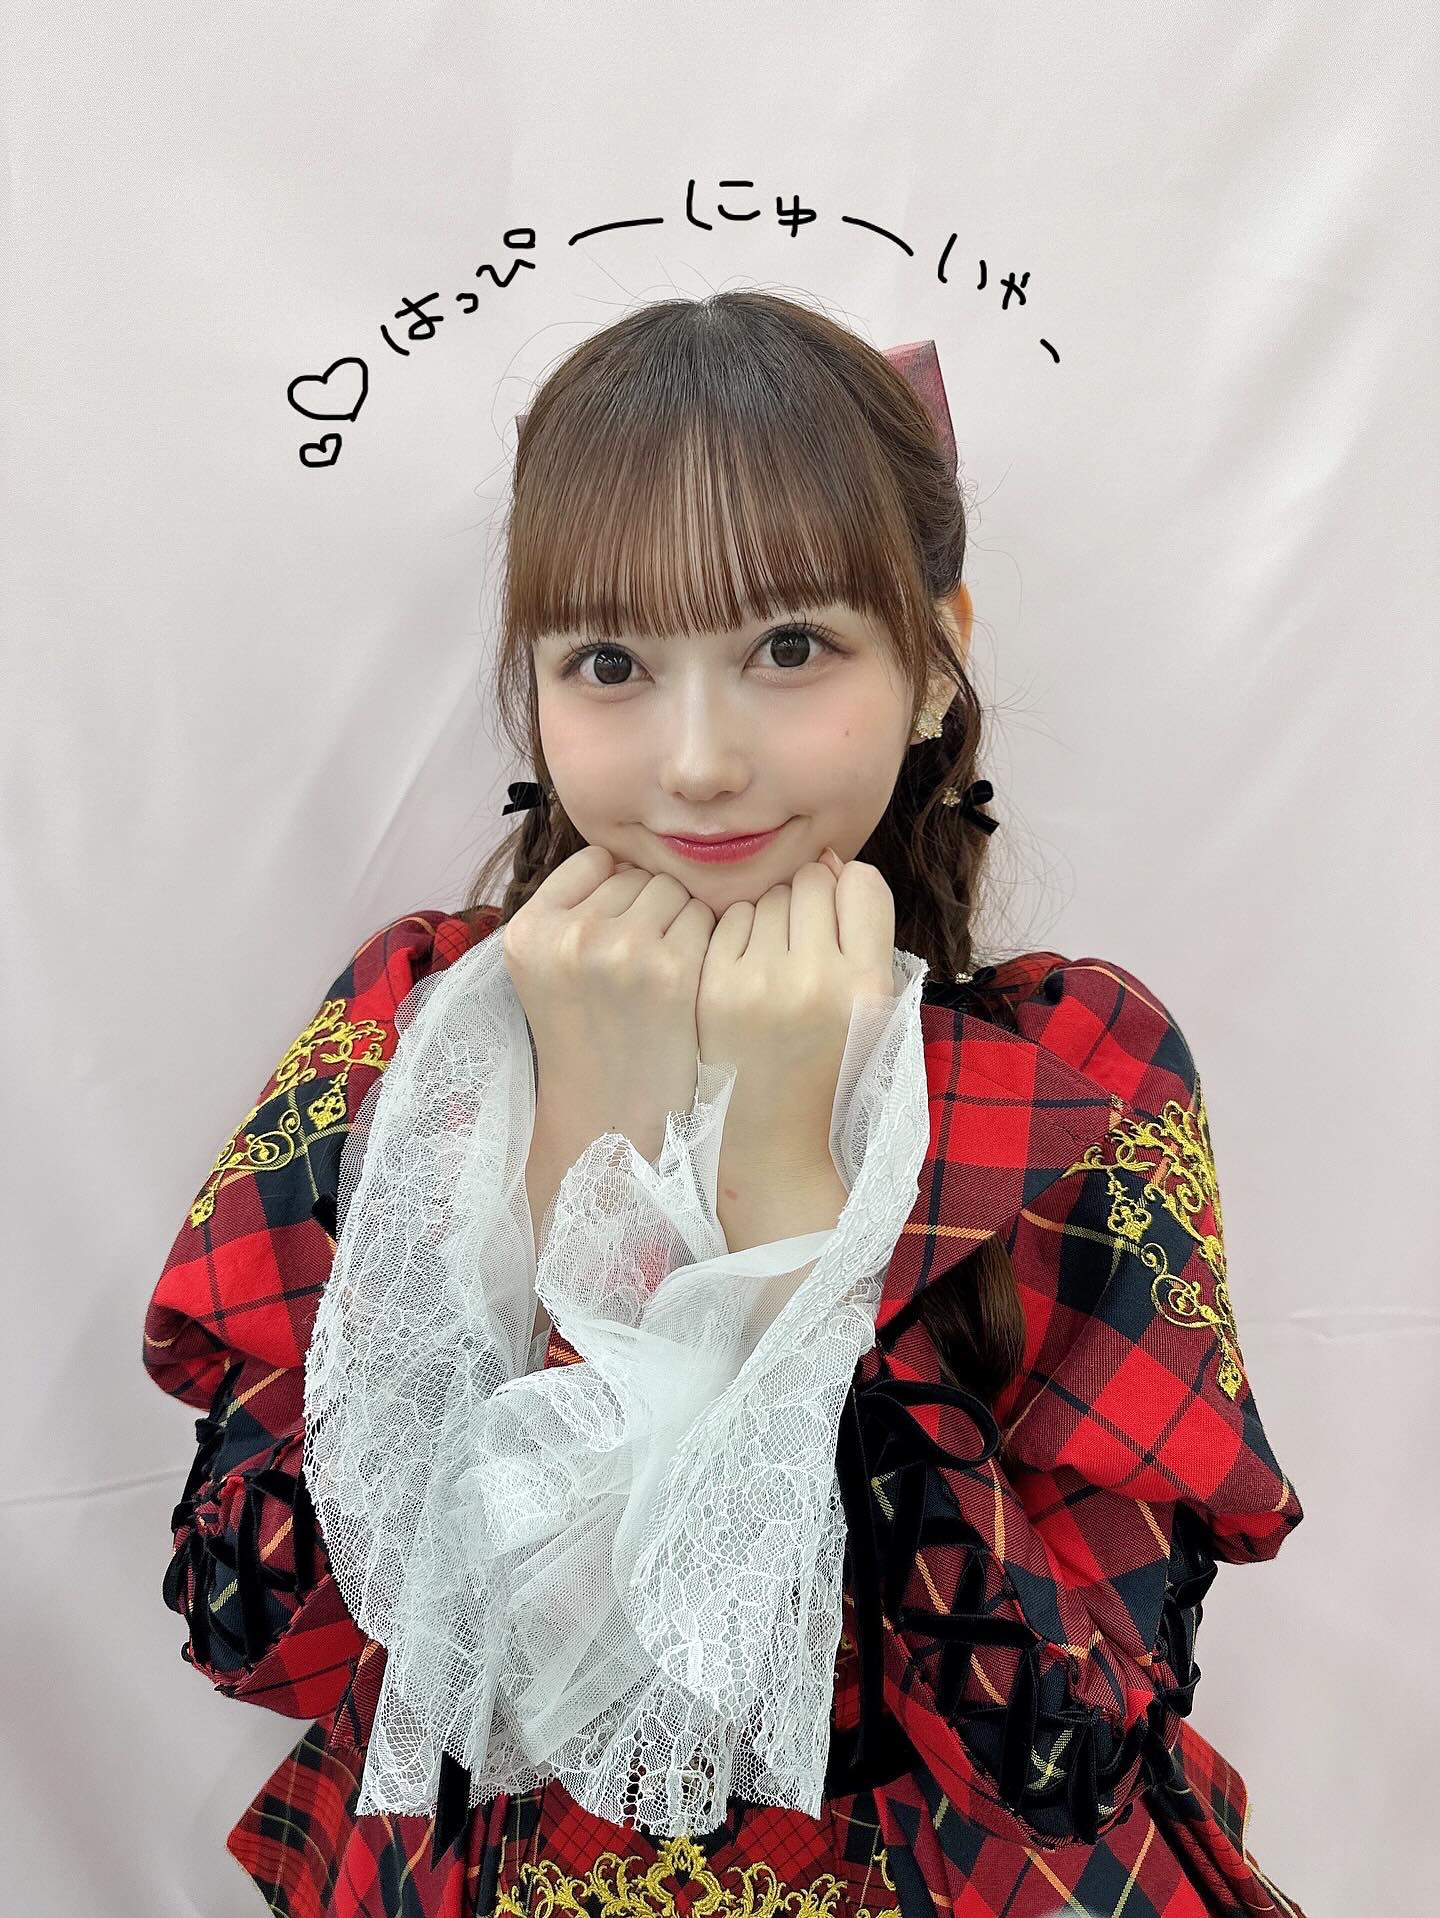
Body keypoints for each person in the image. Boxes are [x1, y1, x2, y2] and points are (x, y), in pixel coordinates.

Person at [142, 291, 1310, 1917]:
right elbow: (251, 1625)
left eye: (790, 647)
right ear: (535, 685)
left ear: (935, 656)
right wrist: (562, 1169)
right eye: (612, 661)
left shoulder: (1069, 1070)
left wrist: (796, 1216)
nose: (697, 759)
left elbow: (1066, 1747)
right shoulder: (422, 1030)